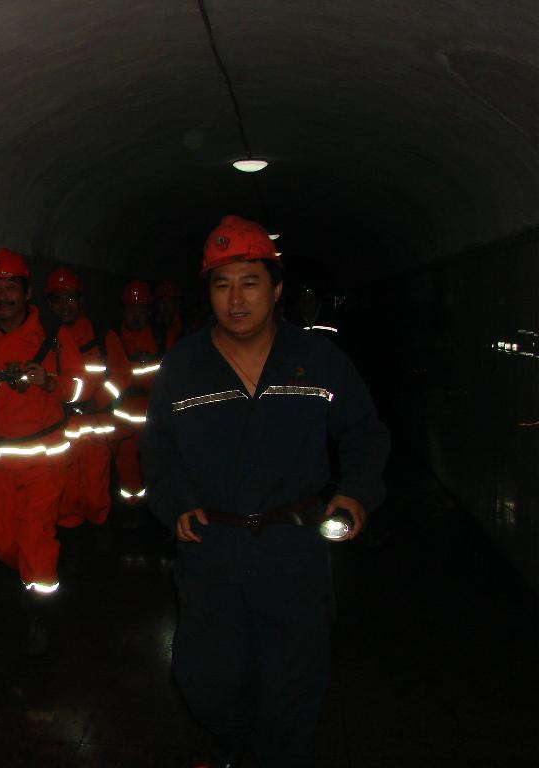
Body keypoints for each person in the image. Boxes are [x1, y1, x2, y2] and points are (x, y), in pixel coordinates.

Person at [141, 214, 389, 768]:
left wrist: (356, 492)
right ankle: (228, 736)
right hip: (212, 545)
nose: (236, 299)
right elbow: (157, 446)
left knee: (294, 678)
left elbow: (364, 432)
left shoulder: (319, 360)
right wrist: (175, 501)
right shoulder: (184, 364)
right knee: (207, 677)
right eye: (222, 285)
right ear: (208, 293)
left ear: (276, 290)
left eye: (250, 283)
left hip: (293, 548)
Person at [0, 250, 87, 654]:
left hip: (44, 458)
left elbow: (82, 387)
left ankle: (39, 615)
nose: (4, 296)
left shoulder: (52, 333)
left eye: (11, 287)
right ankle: (31, 584)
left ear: (27, 292)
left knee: (35, 539)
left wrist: (50, 382)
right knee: (1, 542)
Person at [44, 266, 130, 530]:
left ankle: (101, 536)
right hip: (61, 430)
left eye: (70, 298)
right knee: (66, 498)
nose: (64, 306)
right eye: (58, 299)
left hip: (95, 427)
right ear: (49, 304)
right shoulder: (42, 339)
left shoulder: (101, 334)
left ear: (81, 301)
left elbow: (121, 375)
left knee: (95, 494)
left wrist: (98, 401)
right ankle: (72, 544)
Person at [111, 279, 172, 505]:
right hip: (123, 419)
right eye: (131, 309)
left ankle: (161, 508)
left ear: (149, 311)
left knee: (159, 466)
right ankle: (133, 512)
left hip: (155, 417)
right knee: (128, 468)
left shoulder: (160, 336)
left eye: (141, 309)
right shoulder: (113, 337)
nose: (136, 316)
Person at [155, 280, 185, 347]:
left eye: (169, 301)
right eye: (162, 302)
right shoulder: (152, 327)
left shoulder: (186, 326)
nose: (165, 305)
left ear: (176, 303)